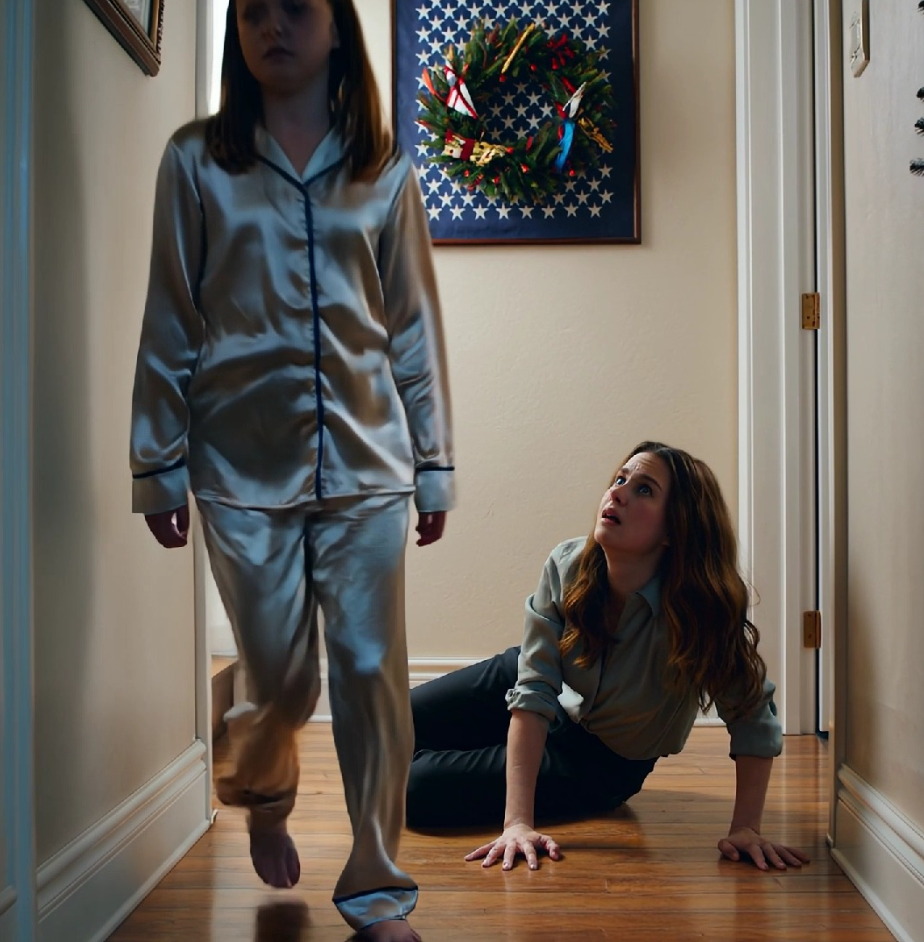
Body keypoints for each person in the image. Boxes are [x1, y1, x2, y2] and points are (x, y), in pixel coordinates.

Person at [129, 2, 453, 939]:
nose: (273, 24)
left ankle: (378, 888)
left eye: (296, 7)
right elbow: (170, 316)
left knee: (371, 675)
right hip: (239, 467)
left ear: (337, 28)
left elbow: (413, 327)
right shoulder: (196, 161)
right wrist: (157, 464)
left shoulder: (383, 169)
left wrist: (433, 462)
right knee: (280, 681)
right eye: (254, 9)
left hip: (368, 463)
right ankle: (264, 791)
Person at [407, 442, 809, 877]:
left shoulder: (702, 608)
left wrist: (746, 827)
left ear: (675, 528)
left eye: (644, 489)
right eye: (620, 479)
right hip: (543, 686)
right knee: (395, 720)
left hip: (599, 761)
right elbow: (534, 689)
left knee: (415, 789)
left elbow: (751, 715)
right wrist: (517, 822)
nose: (617, 493)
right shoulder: (567, 564)